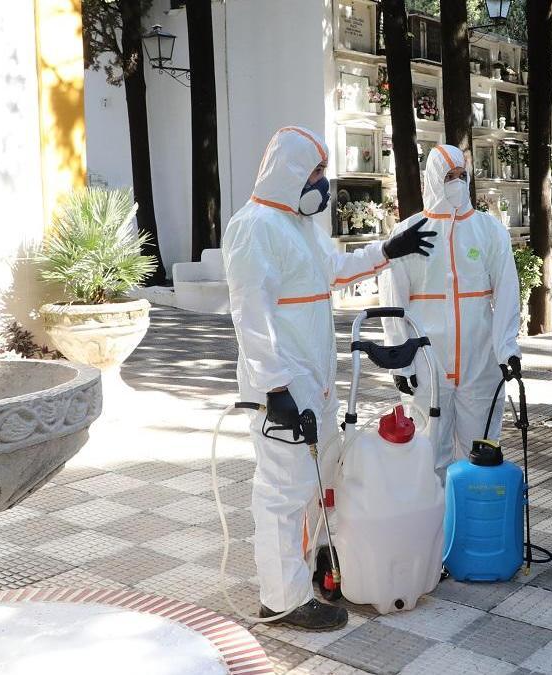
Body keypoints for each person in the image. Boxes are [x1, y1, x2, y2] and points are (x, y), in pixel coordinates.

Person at [223, 126, 434, 631]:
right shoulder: (253, 227)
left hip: (312, 385)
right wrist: (275, 390)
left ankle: (315, 569)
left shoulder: (298, 226)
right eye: (316, 173)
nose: (323, 183)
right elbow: (251, 316)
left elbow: (336, 269)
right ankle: (282, 600)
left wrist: (389, 248)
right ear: (292, 173)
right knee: (282, 494)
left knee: (318, 485)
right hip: (284, 391)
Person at [379, 144, 522, 473]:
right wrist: (400, 364)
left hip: (481, 363)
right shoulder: (408, 234)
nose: (456, 183)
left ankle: (473, 523)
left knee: (481, 454)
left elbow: (506, 295)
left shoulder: (489, 231)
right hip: (427, 363)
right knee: (428, 457)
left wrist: (506, 349)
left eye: (462, 176)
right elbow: (392, 305)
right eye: (448, 176)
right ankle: (434, 525)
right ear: (432, 179)